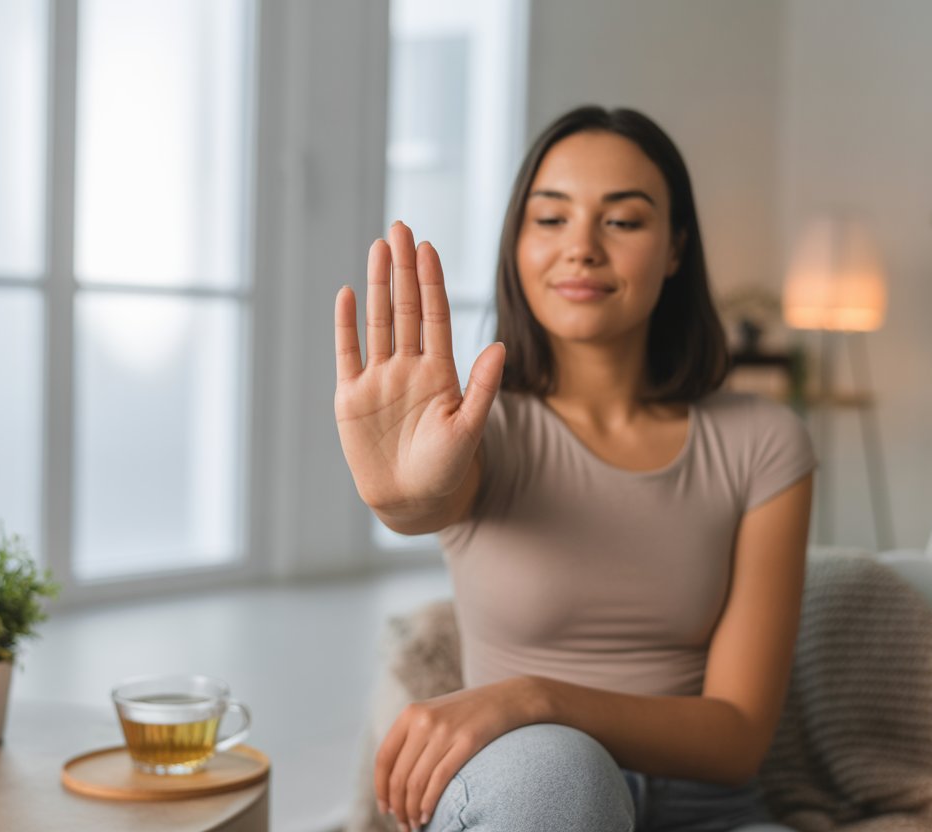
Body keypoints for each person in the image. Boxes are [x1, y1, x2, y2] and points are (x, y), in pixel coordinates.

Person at [333, 105, 814, 832]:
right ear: (517, 244)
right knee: (564, 772)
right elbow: (424, 504)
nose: (582, 248)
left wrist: (536, 696)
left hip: (707, 812)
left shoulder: (764, 442)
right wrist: (401, 495)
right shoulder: (479, 431)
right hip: (530, 791)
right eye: (550, 219)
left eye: (622, 221)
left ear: (676, 247)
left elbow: (738, 737)